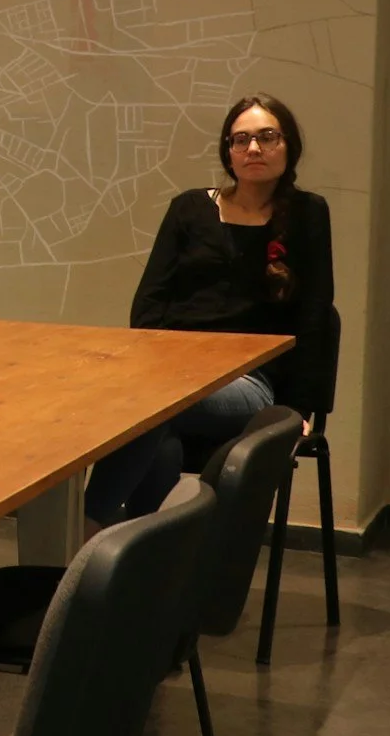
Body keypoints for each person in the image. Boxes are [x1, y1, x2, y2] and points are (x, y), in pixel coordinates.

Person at [82, 93, 334, 526]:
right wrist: (150, 364)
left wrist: (296, 411)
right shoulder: (190, 208)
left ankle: (85, 530)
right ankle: (142, 554)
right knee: (158, 434)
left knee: (152, 404)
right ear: (228, 153)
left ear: (288, 145)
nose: (253, 149)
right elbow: (149, 304)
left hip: (250, 381)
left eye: (267, 137)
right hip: (169, 372)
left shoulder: (308, 214)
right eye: (241, 140)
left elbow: (314, 316)